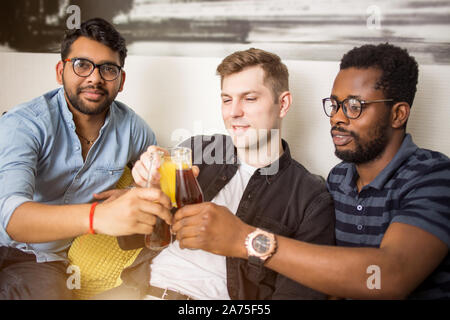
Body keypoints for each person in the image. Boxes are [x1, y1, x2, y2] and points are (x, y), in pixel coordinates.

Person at [173, 43, 450, 299]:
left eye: (355, 106)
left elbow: (390, 276)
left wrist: (244, 240)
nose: (337, 117)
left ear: (398, 114)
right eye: (335, 104)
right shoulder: (339, 180)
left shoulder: (434, 177)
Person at [108, 48, 335, 300]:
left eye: (249, 99)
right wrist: (147, 193)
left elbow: (299, 295)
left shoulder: (310, 198)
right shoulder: (195, 151)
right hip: (137, 292)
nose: (233, 112)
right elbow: (130, 238)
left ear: (282, 104)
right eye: (227, 99)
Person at [0, 18, 172, 300]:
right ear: (60, 71)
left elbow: (158, 175)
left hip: (42, 261)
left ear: (121, 79)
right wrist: (97, 217)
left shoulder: (134, 129)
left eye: (108, 69)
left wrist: (150, 178)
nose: (94, 78)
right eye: (82, 65)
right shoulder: (24, 123)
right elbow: (12, 216)